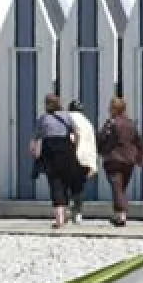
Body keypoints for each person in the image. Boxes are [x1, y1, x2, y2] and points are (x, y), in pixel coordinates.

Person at [30, 94, 79, 229]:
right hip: (66, 150)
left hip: (50, 152)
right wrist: (75, 147)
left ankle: (59, 218)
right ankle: (65, 214)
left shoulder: (43, 119)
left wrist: (34, 151)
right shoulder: (67, 116)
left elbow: (36, 137)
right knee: (65, 183)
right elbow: (76, 133)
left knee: (55, 183)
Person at [96, 97, 143, 227]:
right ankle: (118, 214)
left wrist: (100, 151)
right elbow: (139, 142)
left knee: (117, 187)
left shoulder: (111, 123)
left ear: (113, 109)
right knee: (121, 188)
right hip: (129, 160)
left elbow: (101, 138)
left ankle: (121, 214)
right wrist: (139, 158)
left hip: (113, 159)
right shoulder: (131, 124)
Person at [66, 99, 99, 225]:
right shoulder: (87, 123)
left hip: (70, 156)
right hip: (85, 159)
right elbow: (92, 143)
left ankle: (65, 211)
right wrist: (93, 164)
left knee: (65, 184)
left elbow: (70, 137)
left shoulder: (68, 118)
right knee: (78, 187)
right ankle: (78, 213)